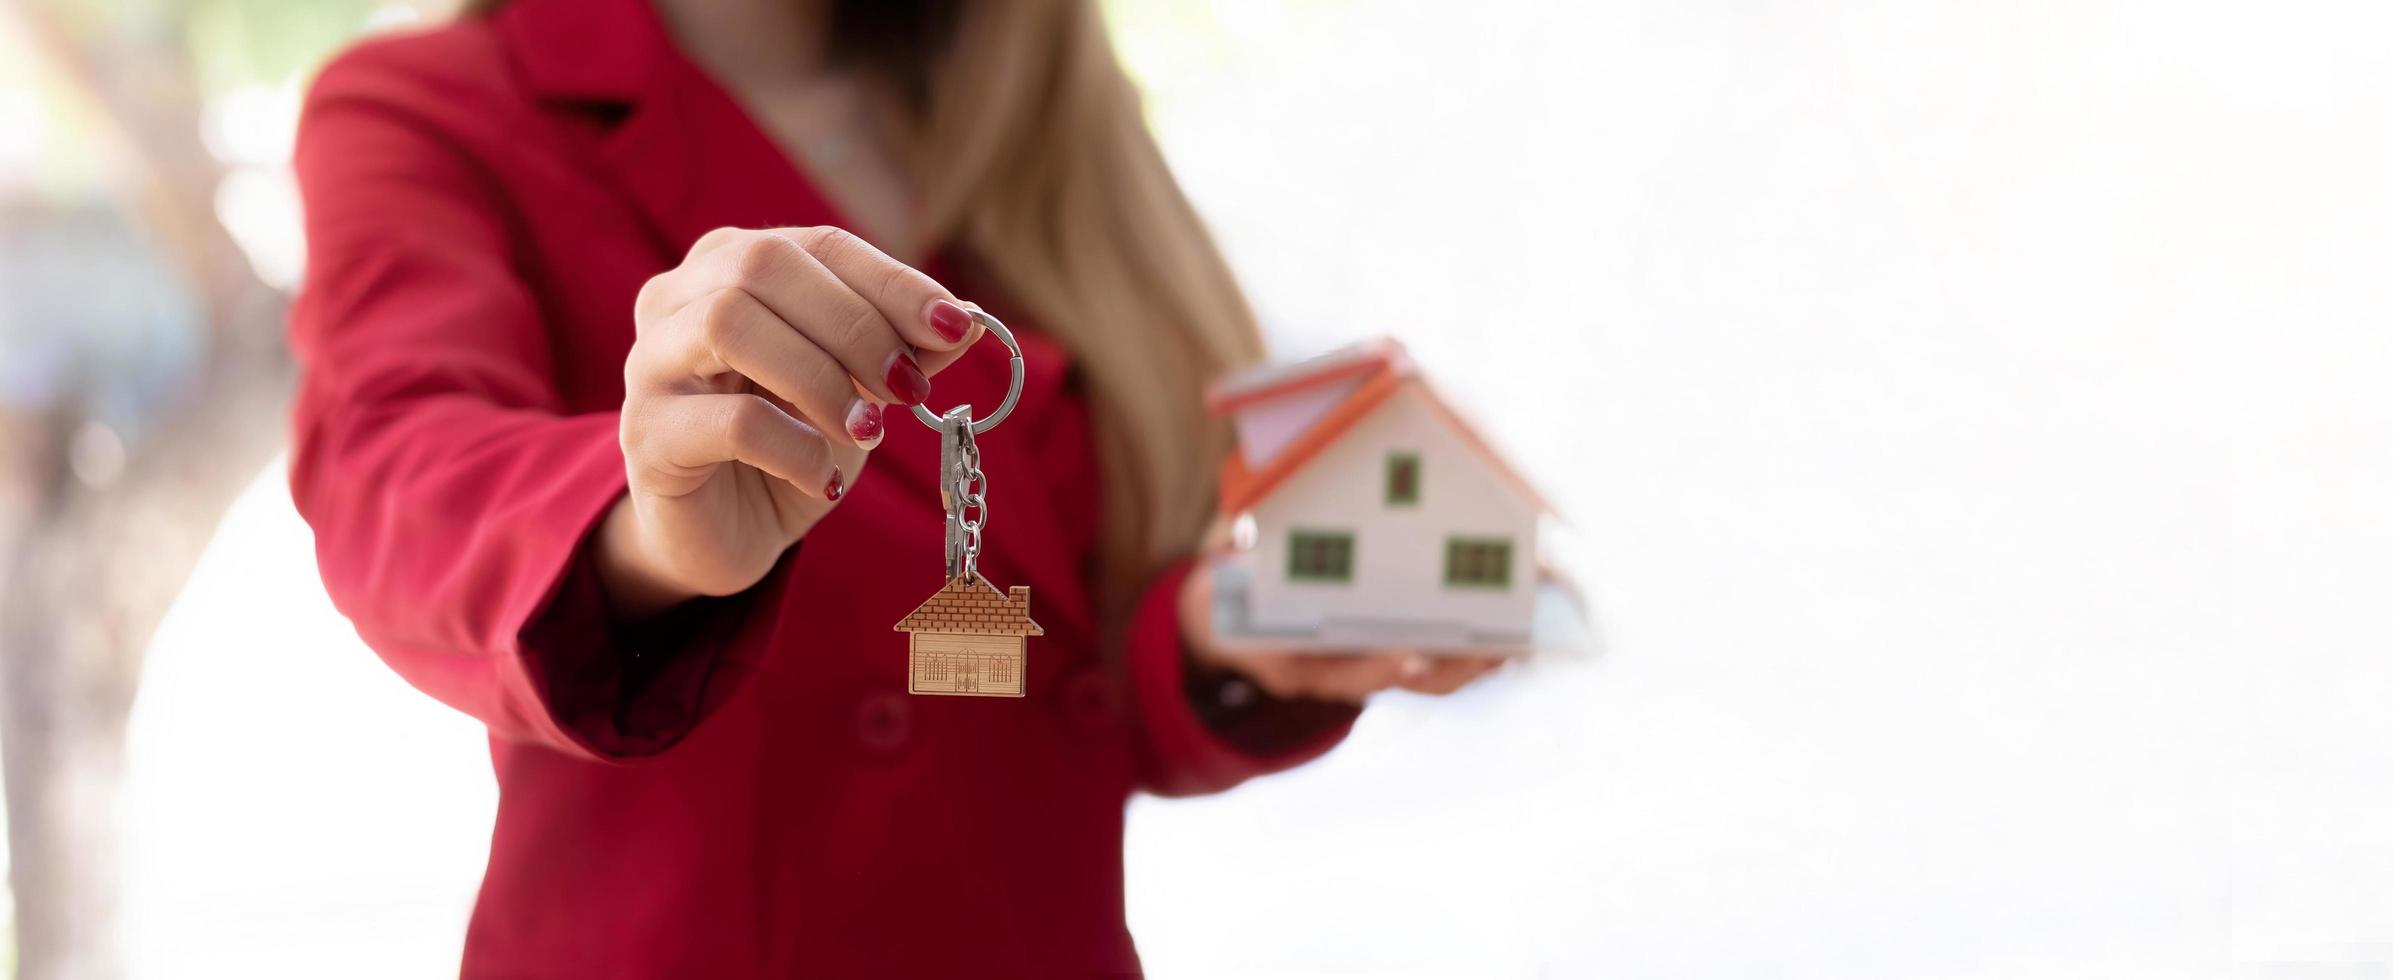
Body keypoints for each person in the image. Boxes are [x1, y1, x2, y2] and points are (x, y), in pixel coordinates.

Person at [287, 0, 1501, 975]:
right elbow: (393, 471)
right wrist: (643, 522)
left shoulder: (1033, 109)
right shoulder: (430, 107)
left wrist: (1229, 630)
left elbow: (1054, 693)